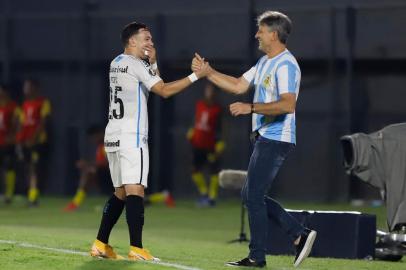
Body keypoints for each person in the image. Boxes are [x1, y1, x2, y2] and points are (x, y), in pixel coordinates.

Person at [192, 11, 316, 268]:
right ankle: (294, 236)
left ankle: (269, 250)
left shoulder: (286, 64)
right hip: (264, 138)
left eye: (260, 30)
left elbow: (287, 104)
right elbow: (238, 85)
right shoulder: (264, 63)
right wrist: (209, 72)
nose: (256, 35)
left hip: (277, 137)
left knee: (253, 196)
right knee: (252, 195)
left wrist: (251, 108)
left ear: (273, 34)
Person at [90, 22, 209, 261]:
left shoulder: (117, 62)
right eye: (146, 38)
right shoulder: (135, 64)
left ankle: (100, 244)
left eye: (152, 39)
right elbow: (163, 90)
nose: (150, 43)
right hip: (132, 137)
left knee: (120, 193)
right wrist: (197, 75)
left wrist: (153, 62)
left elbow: (150, 81)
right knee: (136, 191)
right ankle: (137, 249)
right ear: (132, 41)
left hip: (113, 136)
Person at [187, 82, 224, 207]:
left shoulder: (218, 109)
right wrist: (192, 131)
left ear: (215, 93)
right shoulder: (200, 104)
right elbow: (196, 120)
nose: (209, 92)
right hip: (197, 143)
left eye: (212, 90)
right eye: (207, 90)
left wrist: (220, 143)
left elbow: (220, 128)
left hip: (210, 145)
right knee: (194, 170)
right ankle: (204, 194)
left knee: (214, 171)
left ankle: (212, 198)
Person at [16, 79, 51, 206]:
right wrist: (20, 139)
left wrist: (34, 138)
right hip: (26, 141)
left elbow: (43, 121)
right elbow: (23, 123)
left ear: (35, 88)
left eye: (28, 86)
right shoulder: (25, 104)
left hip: (38, 141)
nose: (26, 89)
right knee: (28, 168)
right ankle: (31, 195)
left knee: (34, 168)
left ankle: (33, 197)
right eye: (25, 87)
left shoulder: (43, 102)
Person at [63, 126, 113, 212]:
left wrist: (87, 164)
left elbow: (109, 163)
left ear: (100, 134)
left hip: (115, 178)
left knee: (89, 172)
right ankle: (75, 203)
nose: (93, 140)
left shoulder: (109, 143)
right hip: (107, 178)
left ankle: (75, 203)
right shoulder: (100, 146)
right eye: (92, 138)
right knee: (89, 171)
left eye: (94, 137)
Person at [0, 84, 20, 204]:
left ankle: (9, 193)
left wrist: (13, 137)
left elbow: (16, 124)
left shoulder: (13, 107)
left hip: (7, 142)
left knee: (8, 167)